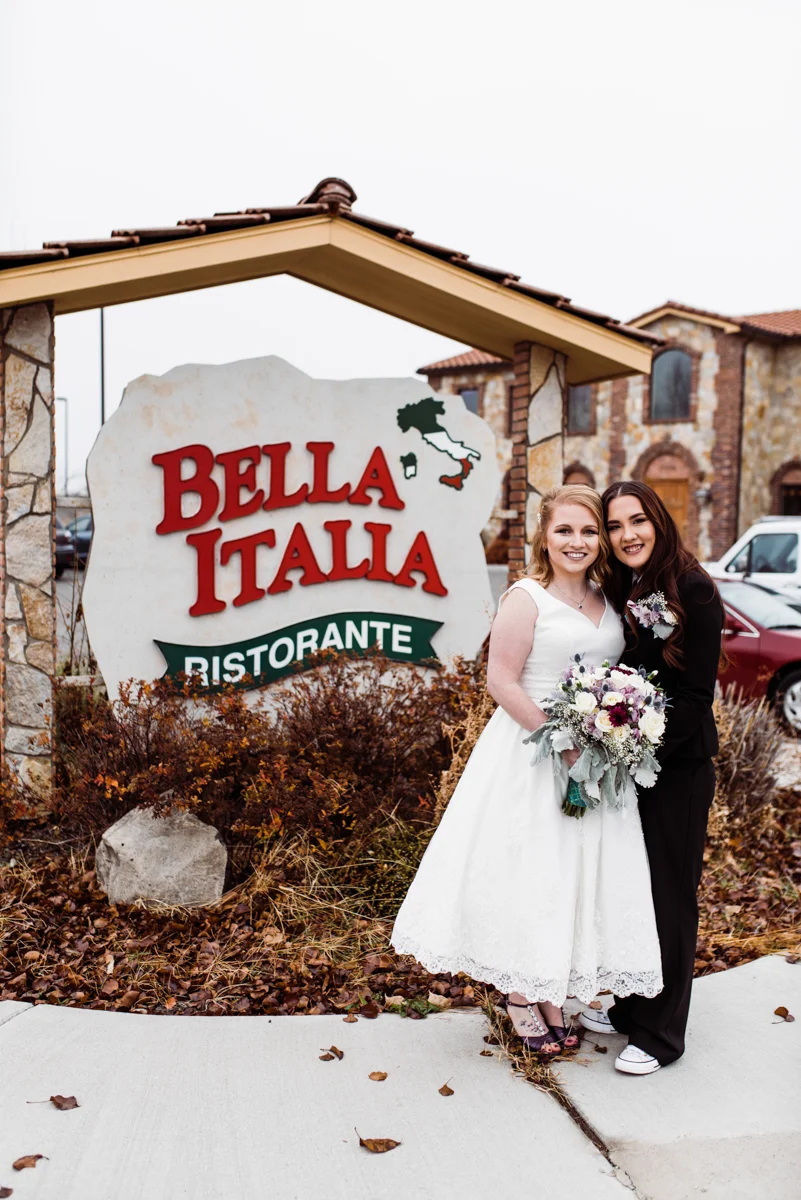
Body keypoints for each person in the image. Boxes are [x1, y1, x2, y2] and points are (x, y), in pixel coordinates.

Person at [391, 484, 663, 1056]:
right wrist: (562, 742)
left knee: (571, 876)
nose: (578, 541)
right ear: (545, 534)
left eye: (590, 531)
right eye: (565, 530)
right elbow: (501, 680)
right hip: (532, 753)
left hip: (597, 763)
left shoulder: (608, 596)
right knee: (527, 870)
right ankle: (519, 995)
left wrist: (612, 734)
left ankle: (550, 990)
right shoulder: (526, 596)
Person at [580, 481, 723, 1074]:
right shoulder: (628, 585)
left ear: (659, 521)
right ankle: (633, 1009)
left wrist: (635, 735)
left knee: (670, 897)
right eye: (614, 526)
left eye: (636, 521)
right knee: (634, 892)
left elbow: (694, 697)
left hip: (679, 771)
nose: (626, 534)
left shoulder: (693, 588)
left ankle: (663, 1035)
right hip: (635, 769)